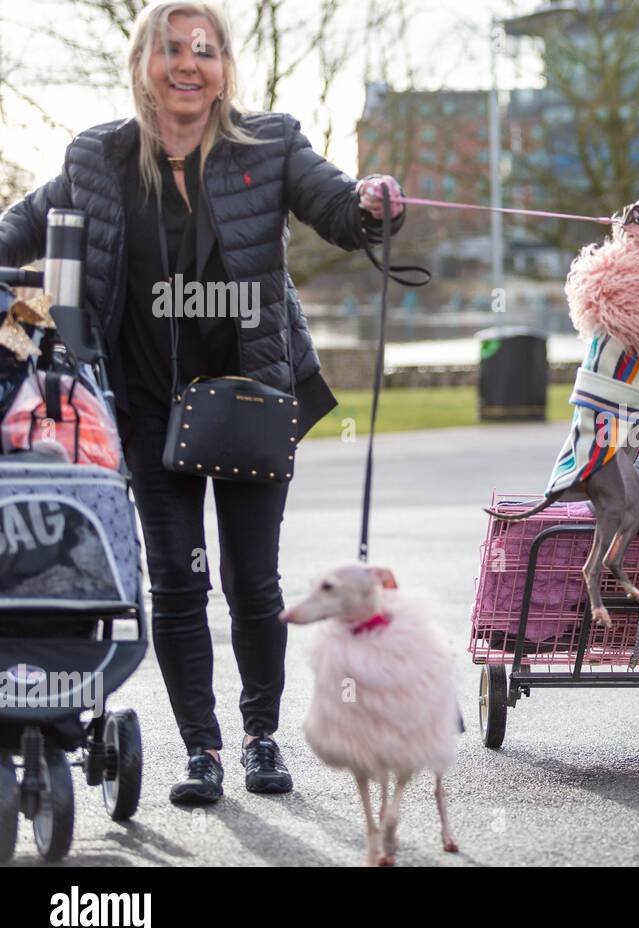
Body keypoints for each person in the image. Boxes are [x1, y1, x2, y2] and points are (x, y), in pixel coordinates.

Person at [0, 0, 407, 806]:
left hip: (253, 401)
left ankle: (260, 739)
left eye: (207, 50)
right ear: (144, 64)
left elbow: (336, 209)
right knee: (178, 584)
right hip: (147, 406)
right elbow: (22, 227)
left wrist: (371, 203)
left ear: (224, 69)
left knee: (253, 582)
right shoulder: (96, 156)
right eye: (172, 48)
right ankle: (202, 752)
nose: (189, 63)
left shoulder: (272, 144)